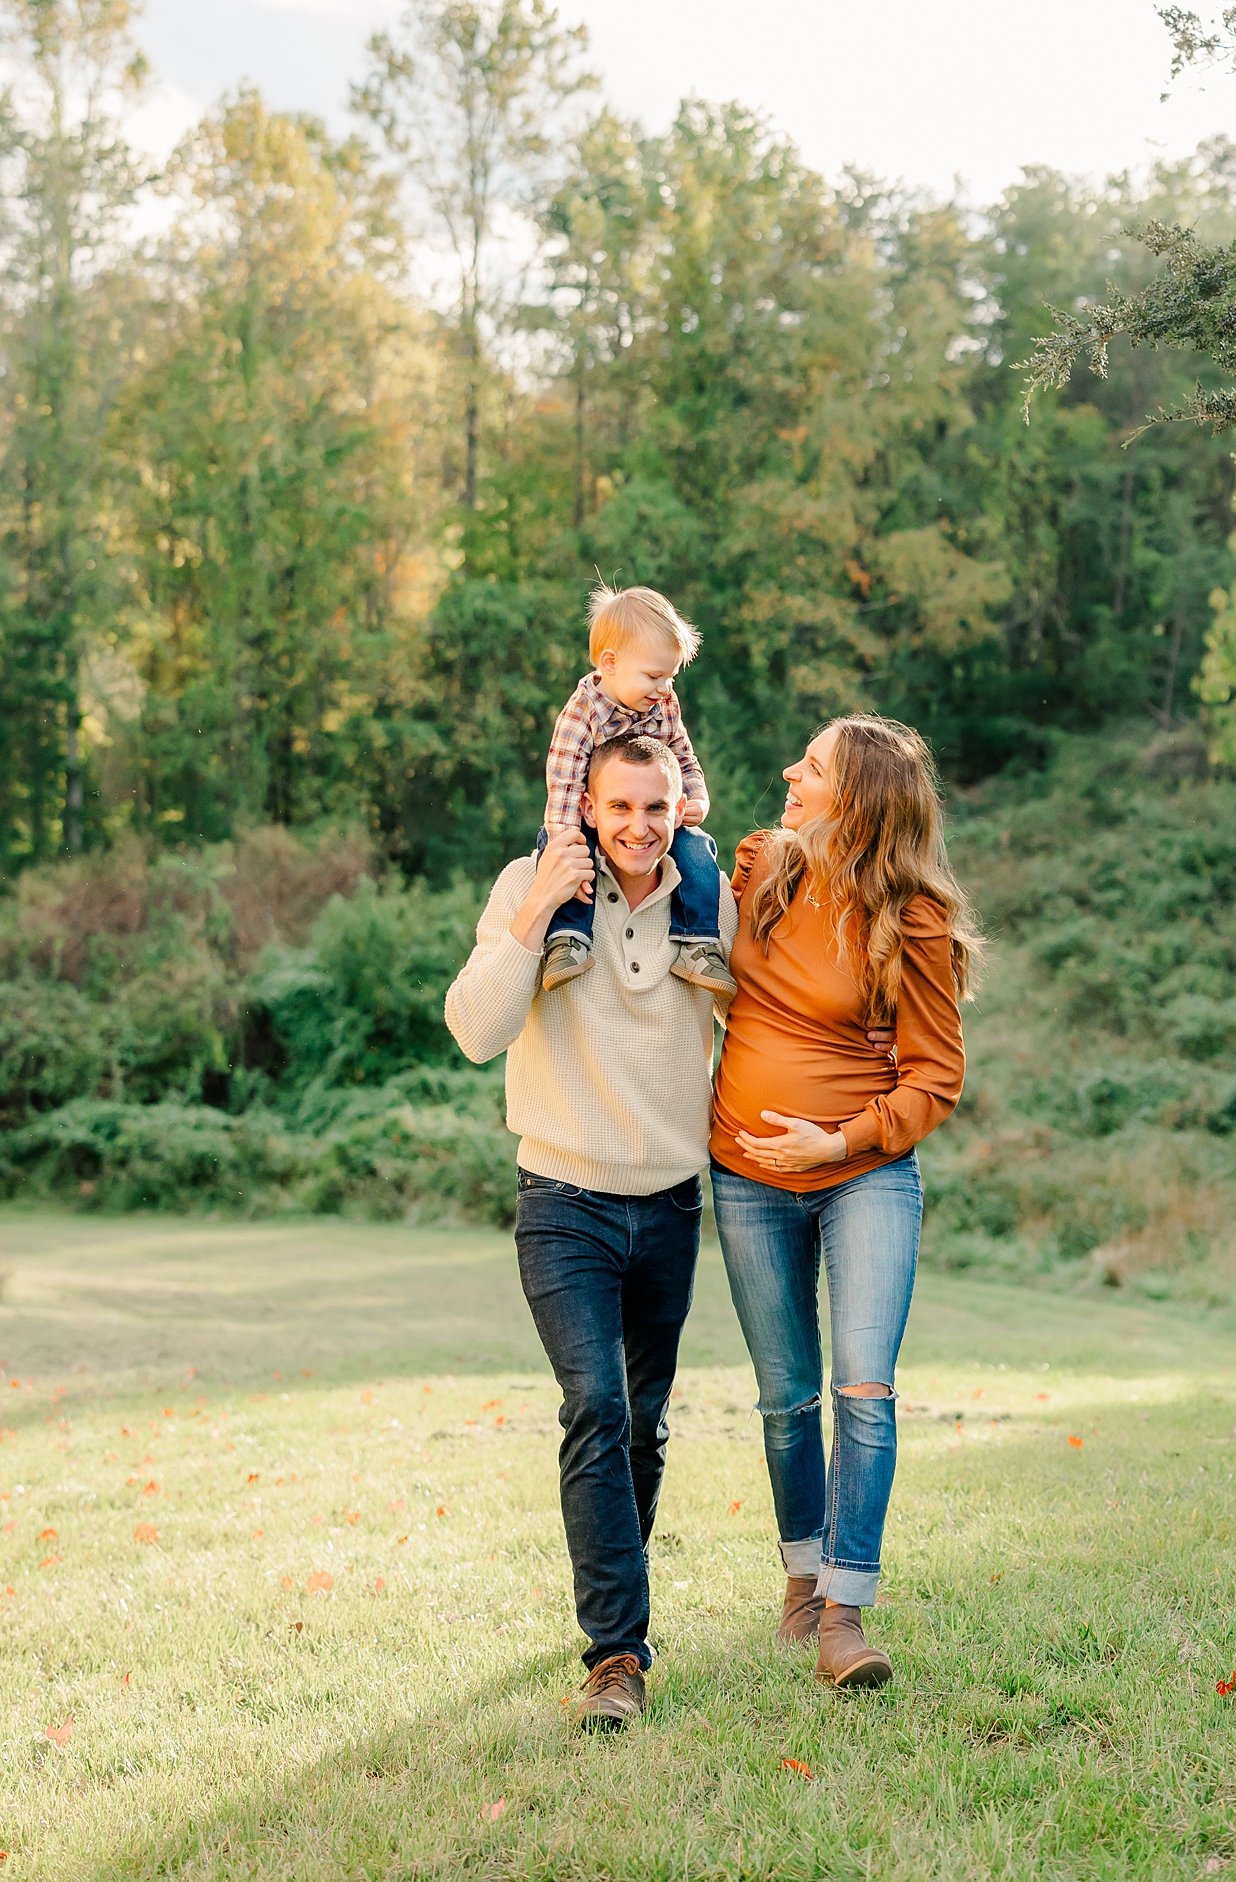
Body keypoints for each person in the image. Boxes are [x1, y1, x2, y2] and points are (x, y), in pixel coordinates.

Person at [444, 732, 737, 1731]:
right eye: (620, 808)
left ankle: (618, 1592)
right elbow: (477, 1030)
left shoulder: (707, 899)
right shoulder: (536, 885)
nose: (638, 828)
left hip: (668, 1205)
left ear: (678, 808)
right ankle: (617, 1655)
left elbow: (757, 1019)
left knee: (641, 1424)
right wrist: (530, 915)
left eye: (656, 809)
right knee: (596, 1408)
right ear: (586, 805)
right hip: (562, 1199)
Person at [709, 715, 979, 1692]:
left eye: (812, 766)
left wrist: (843, 1139)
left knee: (864, 1386)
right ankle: (801, 1576)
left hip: (865, 1174)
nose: (789, 771)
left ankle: (844, 1615)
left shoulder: (911, 917)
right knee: (787, 1397)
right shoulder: (764, 869)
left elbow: (933, 1081)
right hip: (745, 1176)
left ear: (858, 799)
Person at [536, 582, 733, 1004]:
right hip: (589, 819)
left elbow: (683, 753)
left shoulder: (663, 703)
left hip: (652, 816)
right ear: (610, 663)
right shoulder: (583, 712)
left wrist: (697, 796)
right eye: (654, 676)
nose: (664, 688)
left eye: (670, 677)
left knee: (698, 849)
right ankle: (567, 938)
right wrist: (566, 837)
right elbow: (565, 781)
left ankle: (697, 943)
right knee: (566, 859)